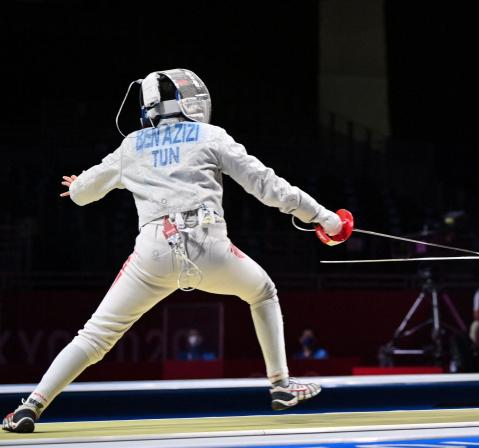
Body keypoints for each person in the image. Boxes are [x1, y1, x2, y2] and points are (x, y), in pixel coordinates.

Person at [2, 69, 353, 433]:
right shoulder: (210, 136)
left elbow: (82, 195)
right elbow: (267, 186)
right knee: (262, 292)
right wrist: (325, 219)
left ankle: (31, 407)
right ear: (190, 101)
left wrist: (77, 187)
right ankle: (280, 386)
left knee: (95, 336)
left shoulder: (131, 146)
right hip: (209, 244)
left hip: (152, 252)